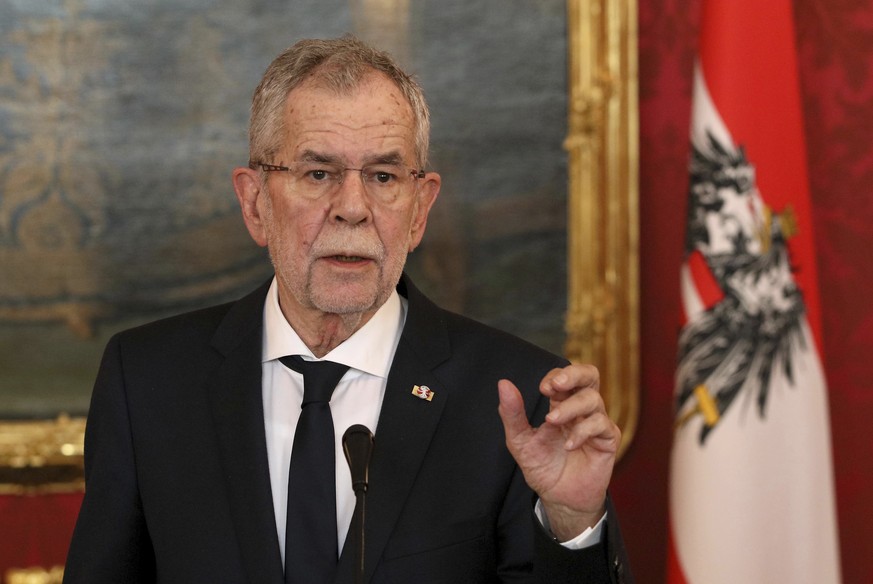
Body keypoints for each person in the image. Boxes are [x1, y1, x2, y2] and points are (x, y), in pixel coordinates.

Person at [63, 36, 632, 583]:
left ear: (419, 209)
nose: (353, 209)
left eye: (384, 176)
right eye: (318, 174)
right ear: (255, 202)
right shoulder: (147, 381)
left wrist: (573, 526)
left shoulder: (517, 400)